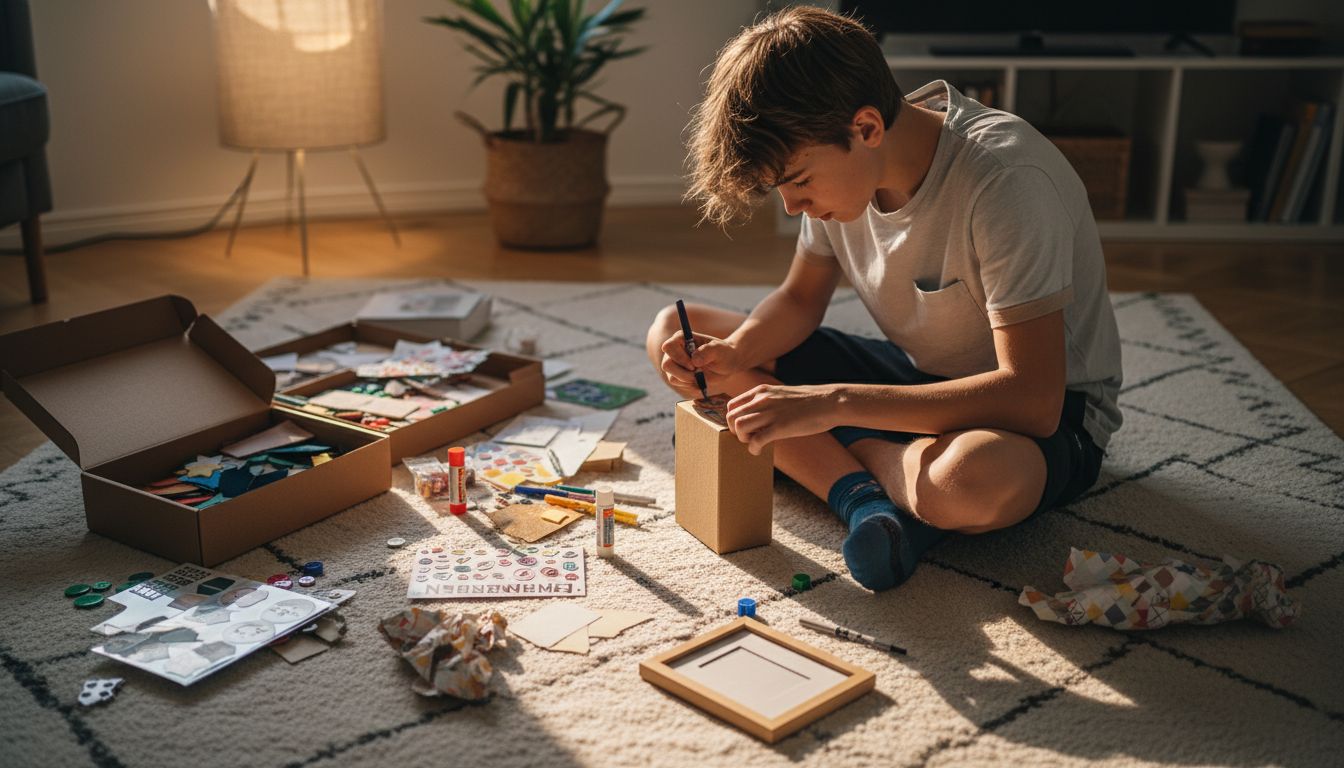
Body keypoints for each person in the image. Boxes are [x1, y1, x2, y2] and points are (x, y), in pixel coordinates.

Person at [645, 6, 1122, 592]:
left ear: (867, 128)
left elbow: (1033, 399)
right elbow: (798, 301)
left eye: (796, 182)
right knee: (673, 330)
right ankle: (870, 503)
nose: (792, 206)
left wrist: (834, 405)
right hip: (920, 379)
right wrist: (737, 353)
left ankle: (844, 470)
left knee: (972, 480)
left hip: (1044, 415)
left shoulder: (1003, 181)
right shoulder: (844, 168)